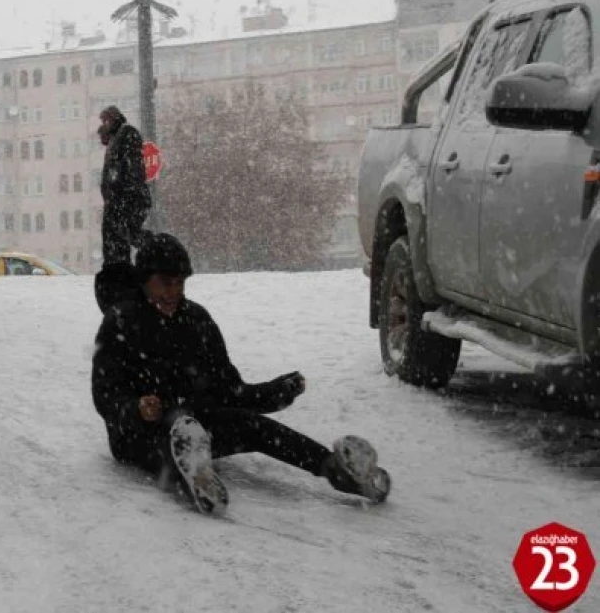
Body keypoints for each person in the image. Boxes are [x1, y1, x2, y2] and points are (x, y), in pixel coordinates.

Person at [91, 233, 391, 515]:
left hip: (197, 421)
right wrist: (137, 409)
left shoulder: (196, 320)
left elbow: (229, 390)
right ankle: (193, 479)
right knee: (172, 435)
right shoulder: (120, 322)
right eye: (165, 283)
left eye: (180, 284)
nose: (174, 293)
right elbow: (105, 394)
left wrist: (273, 394)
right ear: (145, 282)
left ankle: (336, 470)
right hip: (138, 434)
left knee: (251, 426)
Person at [97, 105, 151, 265]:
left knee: (126, 234)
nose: (103, 124)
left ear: (115, 119)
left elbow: (132, 168)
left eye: (106, 120)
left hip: (127, 198)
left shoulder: (127, 133)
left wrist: (123, 192)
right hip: (117, 201)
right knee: (114, 238)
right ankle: (117, 269)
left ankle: (158, 250)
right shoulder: (115, 140)